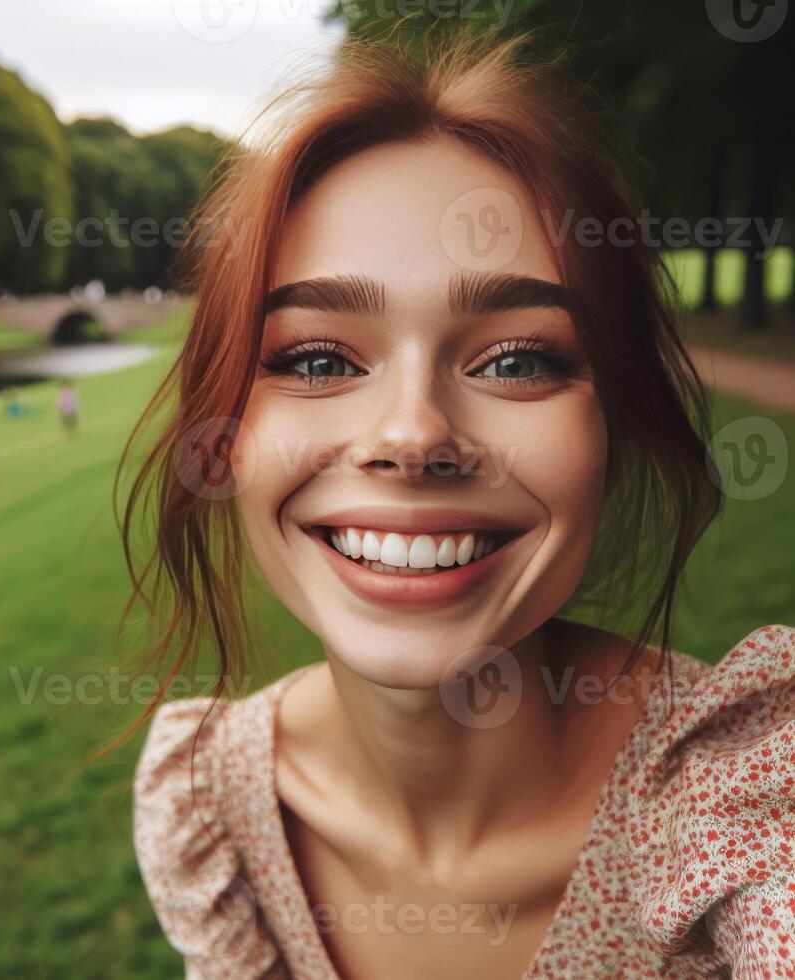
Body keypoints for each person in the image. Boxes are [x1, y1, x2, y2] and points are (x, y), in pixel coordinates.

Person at [121, 31, 794, 978]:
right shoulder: (212, 806)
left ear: (615, 427)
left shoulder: (752, 799)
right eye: (317, 359)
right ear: (223, 435)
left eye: (516, 360)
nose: (411, 434)